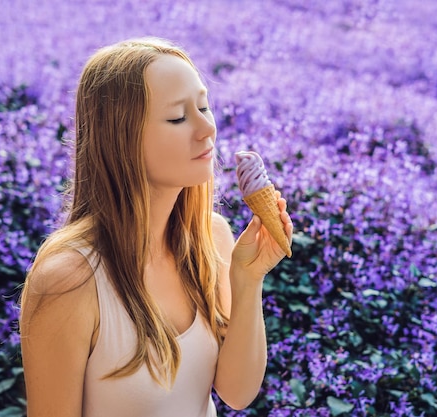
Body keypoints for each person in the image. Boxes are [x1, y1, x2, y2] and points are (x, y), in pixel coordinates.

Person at [19, 37, 293, 417]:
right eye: (178, 117)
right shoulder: (69, 280)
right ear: (122, 139)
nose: (206, 129)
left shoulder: (212, 236)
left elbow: (237, 392)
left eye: (203, 106)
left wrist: (248, 279)